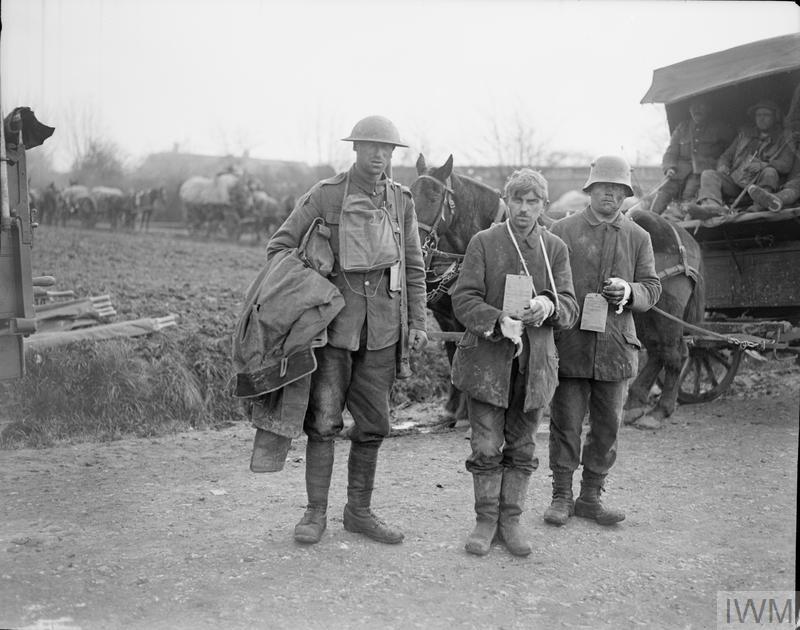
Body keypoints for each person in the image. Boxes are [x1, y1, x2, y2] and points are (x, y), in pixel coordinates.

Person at [265, 115, 428, 545]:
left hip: (383, 333)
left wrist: (418, 321)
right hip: (333, 331)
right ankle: (315, 513)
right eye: (371, 146)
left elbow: (414, 265)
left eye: (386, 148)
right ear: (355, 148)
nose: (379, 155)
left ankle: (359, 512)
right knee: (323, 422)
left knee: (374, 425)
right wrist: (315, 276)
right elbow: (279, 248)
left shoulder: (402, 201)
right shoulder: (326, 195)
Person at [449, 169, 579, 556]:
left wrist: (548, 306)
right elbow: (463, 299)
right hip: (487, 364)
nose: (523, 209)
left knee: (522, 447)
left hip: (535, 367)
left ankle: (511, 520)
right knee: (486, 446)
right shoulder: (484, 242)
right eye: (517, 200)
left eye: (532, 202)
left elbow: (570, 306)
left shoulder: (554, 248)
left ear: (543, 206)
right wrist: (497, 320)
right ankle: (486, 521)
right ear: (507, 202)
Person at [546, 156, 661, 527]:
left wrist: (629, 291)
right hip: (571, 344)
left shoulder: (638, 237)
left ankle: (591, 497)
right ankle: (562, 496)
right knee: (565, 423)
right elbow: (548, 283)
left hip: (616, 346)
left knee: (608, 426)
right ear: (590, 189)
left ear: (626, 193)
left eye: (617, 188)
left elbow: (652, 287)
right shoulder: (563, 231)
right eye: (603, 187)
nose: (609, 194)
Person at [690, 100, 794, 219]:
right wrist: (723, 166)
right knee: (708, 174)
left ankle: (761, 205)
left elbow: (786, 165)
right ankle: (712, 206)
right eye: (758, 115)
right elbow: (726, 156)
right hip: (736, 182)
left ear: (775, 117)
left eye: (766, 115)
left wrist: (764, 165)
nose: (761, 118)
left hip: (759, 185)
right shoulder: (744, 135)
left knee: (770, 172)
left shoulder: (784, 138)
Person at [651, 99, 734, 216]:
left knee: (689, 194)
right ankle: (651, 218)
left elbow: (731, 150)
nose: (696, 110)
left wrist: (722, 165)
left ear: (708, 109)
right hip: (680, 171)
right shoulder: (682, 128)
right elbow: (671, 151)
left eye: (701, 106)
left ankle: (685, 217)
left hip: (703, 171)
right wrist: (669, 167)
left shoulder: (720, 128)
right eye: (693, 106)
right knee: (665, 189)